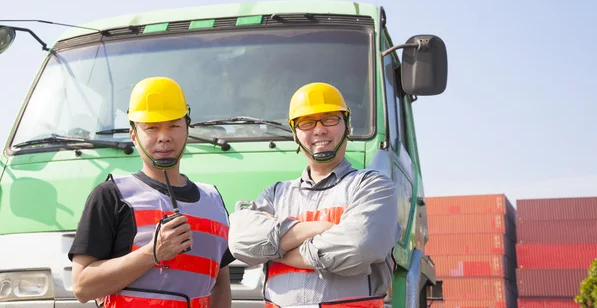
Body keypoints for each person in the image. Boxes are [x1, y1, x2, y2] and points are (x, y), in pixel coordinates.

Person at [228, 82, 401, 308]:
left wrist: (275, 250)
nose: (319, 130)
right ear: (295, 135)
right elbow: (239, 241)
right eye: (307, 122)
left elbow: (357, 247)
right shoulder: (275, 194)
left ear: (347, 125)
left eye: (329, 118)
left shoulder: (372, 187)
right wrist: (314, 228)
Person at [69, 77, 233, 308]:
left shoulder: (213, 201)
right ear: (134, 135)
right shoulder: (112, 196)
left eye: (174, 125)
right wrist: (152, 253)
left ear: (187, 128)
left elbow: (220, 284)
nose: (164, 136)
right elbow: (82, 287)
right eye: (152, 127)